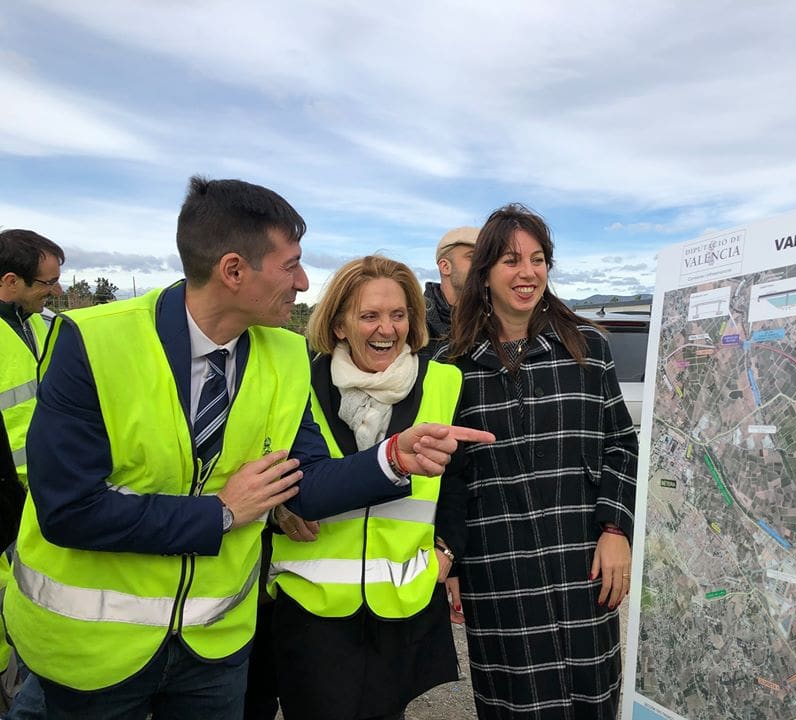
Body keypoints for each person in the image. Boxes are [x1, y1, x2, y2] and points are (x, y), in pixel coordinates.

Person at [2, 177, 492, 720]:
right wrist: (221, 512)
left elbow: (304, 483)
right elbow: (69, 510)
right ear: (233, 271)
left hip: (214, 650)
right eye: (291, 266)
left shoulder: (284, 354)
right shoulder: (93, 340)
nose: (303, 282)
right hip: (94, 653)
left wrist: (393, 458)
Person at [440, 204, 639, 719]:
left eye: (537, 259)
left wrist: (615, 529)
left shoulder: (587, 349)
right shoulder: (451, 366)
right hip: (498, 572)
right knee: (514, 705)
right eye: (511, 260)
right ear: (485, 272)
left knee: (592, 700)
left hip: (582, 564)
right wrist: (452, 558)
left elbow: (621, 443)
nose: (527, 272)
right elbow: (448, 478)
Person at [268, 255, 465, 720]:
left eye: (398, 315)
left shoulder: (445, 382)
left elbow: (461, 482)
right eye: (369, 315)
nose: (387, 329)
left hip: (401, 603)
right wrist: (279, 509)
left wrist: (448, 551)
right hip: (309, 606)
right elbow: (263, 461)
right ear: (338, 325)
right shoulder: (297, 381)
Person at [0, 228, 63, 720]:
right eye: (46, 282)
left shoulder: (41, 327)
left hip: (42, 496)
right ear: (9, 282)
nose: (56, 291)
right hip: (13, 499)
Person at [423, 226, 478, 356]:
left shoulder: (498, 320)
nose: (483, 265)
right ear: (445, 266)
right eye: (472, 257)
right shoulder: (412, 321)